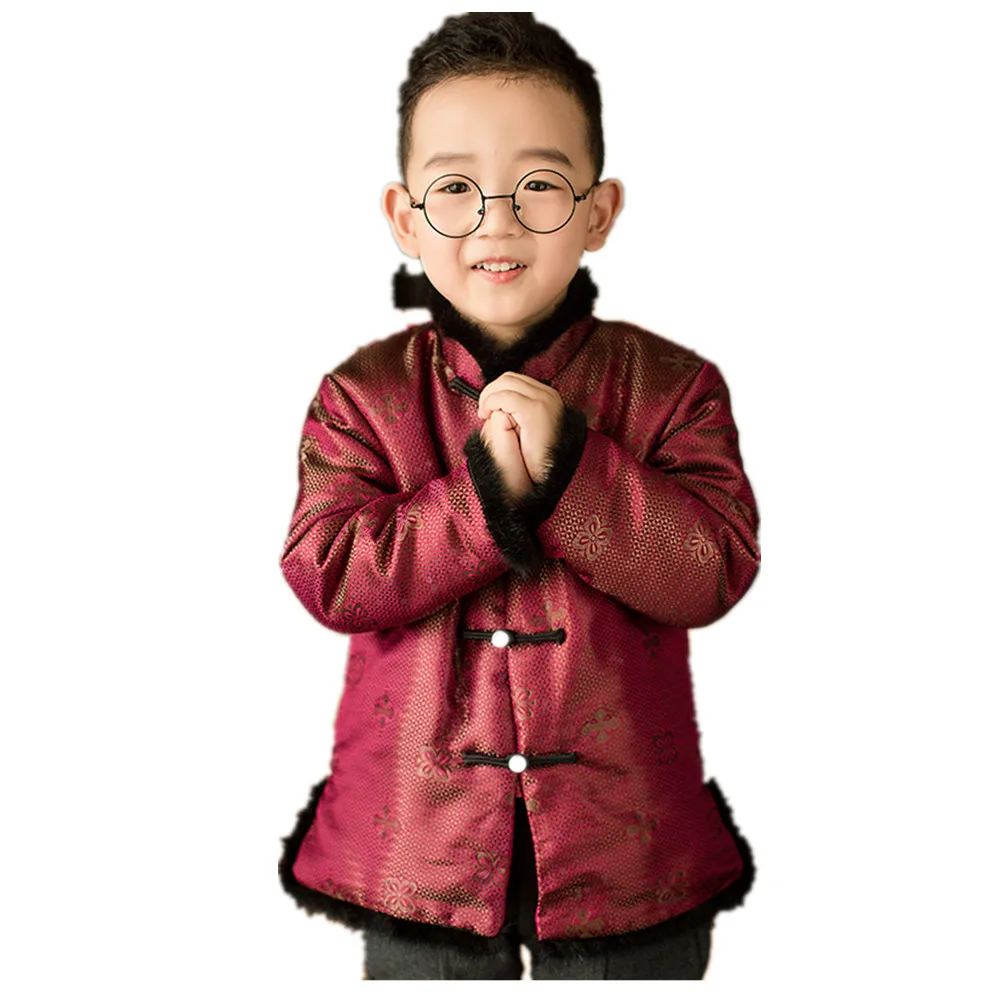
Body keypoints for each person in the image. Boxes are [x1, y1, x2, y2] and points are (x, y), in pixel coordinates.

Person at [278, 12, 761, 980]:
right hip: (418, 850)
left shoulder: (674, 388)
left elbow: (711, 569)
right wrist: (486, 496)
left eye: (539, 185)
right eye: (455, 188)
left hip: (631, 852)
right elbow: (329, 574)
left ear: (600, 210)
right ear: (404, 215)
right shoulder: (361, 396)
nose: (496, 221)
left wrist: (574, 467)